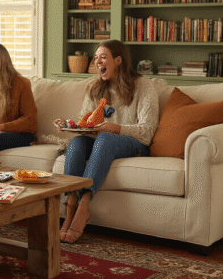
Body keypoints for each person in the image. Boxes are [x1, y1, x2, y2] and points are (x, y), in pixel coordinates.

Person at [56, 40, 159, 243]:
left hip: (135, 146)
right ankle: (70, 207)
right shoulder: (94, 87)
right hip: (102, 141)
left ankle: (84, 205)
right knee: (76, 143)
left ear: (118, 60)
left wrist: (116, 128)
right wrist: (70, 124)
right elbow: (87, 124)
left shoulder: (143, 86)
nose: (97, 62)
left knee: (105, 138)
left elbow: (147, 133)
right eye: (96, 58)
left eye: (103, 57)